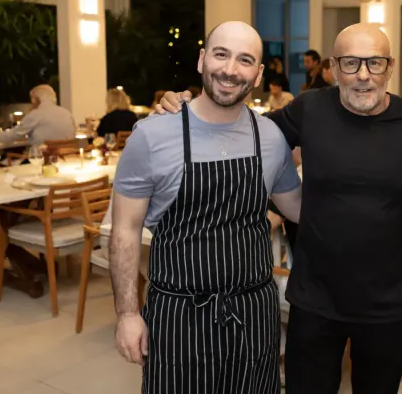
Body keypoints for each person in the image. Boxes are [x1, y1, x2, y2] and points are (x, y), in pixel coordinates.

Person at [157, 23, 402, 394]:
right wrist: (185, 110)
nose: (363, 75)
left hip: (386, 303)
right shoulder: (311, 108)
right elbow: (244, 133)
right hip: (315, 297)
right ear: (334, 68)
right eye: (351, 63)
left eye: (375, 63)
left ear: (391, 66)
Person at [110, 21, 302, 394]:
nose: (230, 70)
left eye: (245, 60)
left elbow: (297, 209)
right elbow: (124, 230)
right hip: (178, 314)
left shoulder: (271, 137)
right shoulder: (152, 135)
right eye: (221, 54)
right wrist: (128, 314)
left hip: (253, 314)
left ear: (259, 74)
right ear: (201, 60)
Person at [0, 84, 75, 147]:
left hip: (41, 159)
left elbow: (11, 136)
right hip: (65, 157)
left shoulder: (35, 115)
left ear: (37, 100)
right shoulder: (67, 113)